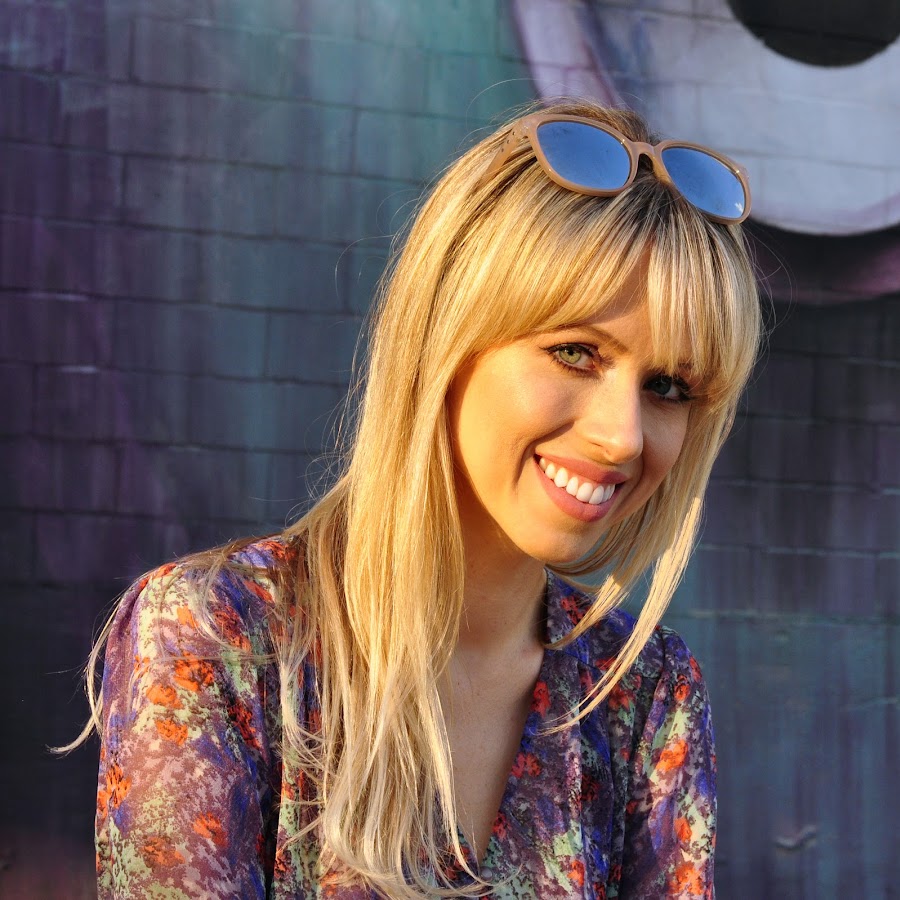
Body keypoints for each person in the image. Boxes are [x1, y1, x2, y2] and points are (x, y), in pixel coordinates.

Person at [78, 99, 761, 898]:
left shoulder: (645, 697)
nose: (623, 436)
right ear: (450, 336)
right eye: (576, 352)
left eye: (669, 387)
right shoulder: (219, 637)